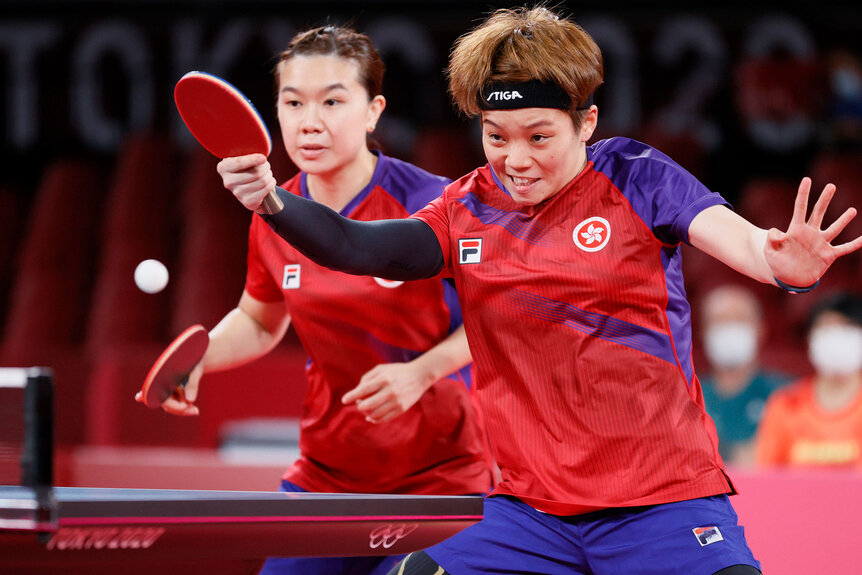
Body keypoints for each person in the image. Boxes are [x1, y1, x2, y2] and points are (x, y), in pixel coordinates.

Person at [216, 7, 862, 575]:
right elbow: (359, 247)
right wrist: (273, 202)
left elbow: (739, 240)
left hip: (661, 502)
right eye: (496, 137)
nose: (515, 159)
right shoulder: (466, 205)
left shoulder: (636, 177)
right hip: (527, 514)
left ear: (587, 123)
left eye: (539, 136)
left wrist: (778, 262)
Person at [140, 25, 493, 575]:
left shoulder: (435, 203)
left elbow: (497, 318)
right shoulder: (276, 213)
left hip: (442, 473)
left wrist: (422, 372)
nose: (310, 121)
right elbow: (260, 320)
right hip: (329, 473)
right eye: (293, 101)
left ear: (373, 110)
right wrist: (199, 360)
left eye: (333, 101)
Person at [755, 292, 862, 468]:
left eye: (847, 328)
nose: (836, 339)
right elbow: (766, 478)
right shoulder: (785, 405)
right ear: (810, 340)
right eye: (826, 329)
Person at [699, 284, 789, 467]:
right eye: (719, 321)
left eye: (739, 320)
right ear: (703, 331)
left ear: (760, 328)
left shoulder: (785, 394)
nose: (729, 330)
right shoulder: (688, 397)